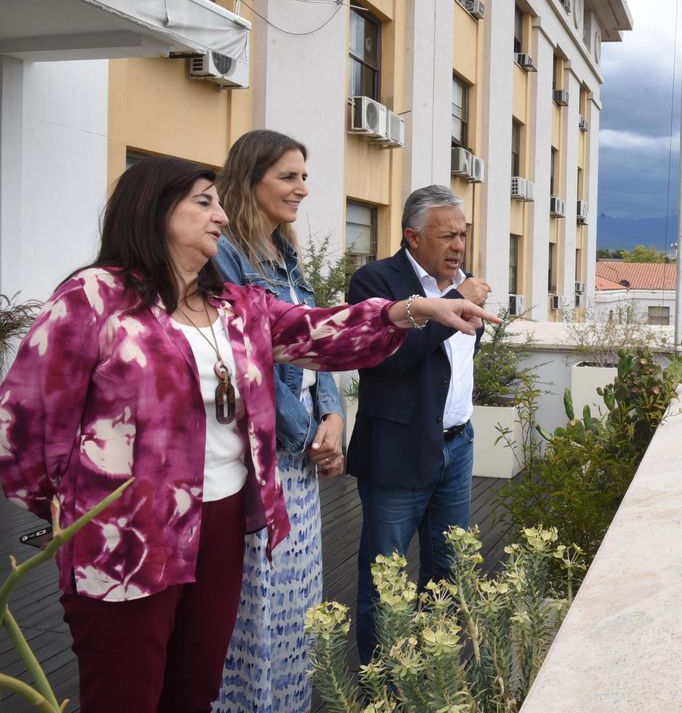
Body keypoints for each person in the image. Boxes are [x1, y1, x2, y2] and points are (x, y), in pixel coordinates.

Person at [0, 157, 497, 713]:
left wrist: (413, 310)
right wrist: (76, 510)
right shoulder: (94, 297)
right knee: (126, 694)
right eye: (205, 203)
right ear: (155, 209)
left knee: (196, 688)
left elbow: (319, 332)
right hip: (127, 535)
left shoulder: (234, 305)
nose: (221, 216)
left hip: (222, 522)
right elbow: (24, 424)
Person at [210, 130, 342, 713]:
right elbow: (247, 360)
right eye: (289, 177)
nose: (302, 189)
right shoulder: (225, 255)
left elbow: (313, 338)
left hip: (301, 457)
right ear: (248, 179)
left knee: (295, 609)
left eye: (303, 177)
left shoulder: (285, 253)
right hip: (261, 458)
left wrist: (334, 415)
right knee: (255, 610)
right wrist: (305, 432)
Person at [347, 185, 491, 663]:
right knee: (384, 581)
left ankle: (436, 675)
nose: (458, 246)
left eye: (462, 235)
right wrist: (453, 303)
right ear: (412, 236)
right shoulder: (374, 281)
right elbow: (388, 359)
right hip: (398, 449)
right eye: (446, 236)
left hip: (457, 445)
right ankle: (379, 685)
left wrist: (458, 300)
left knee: (448, 573)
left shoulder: (462, 281)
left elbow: (458, 356)